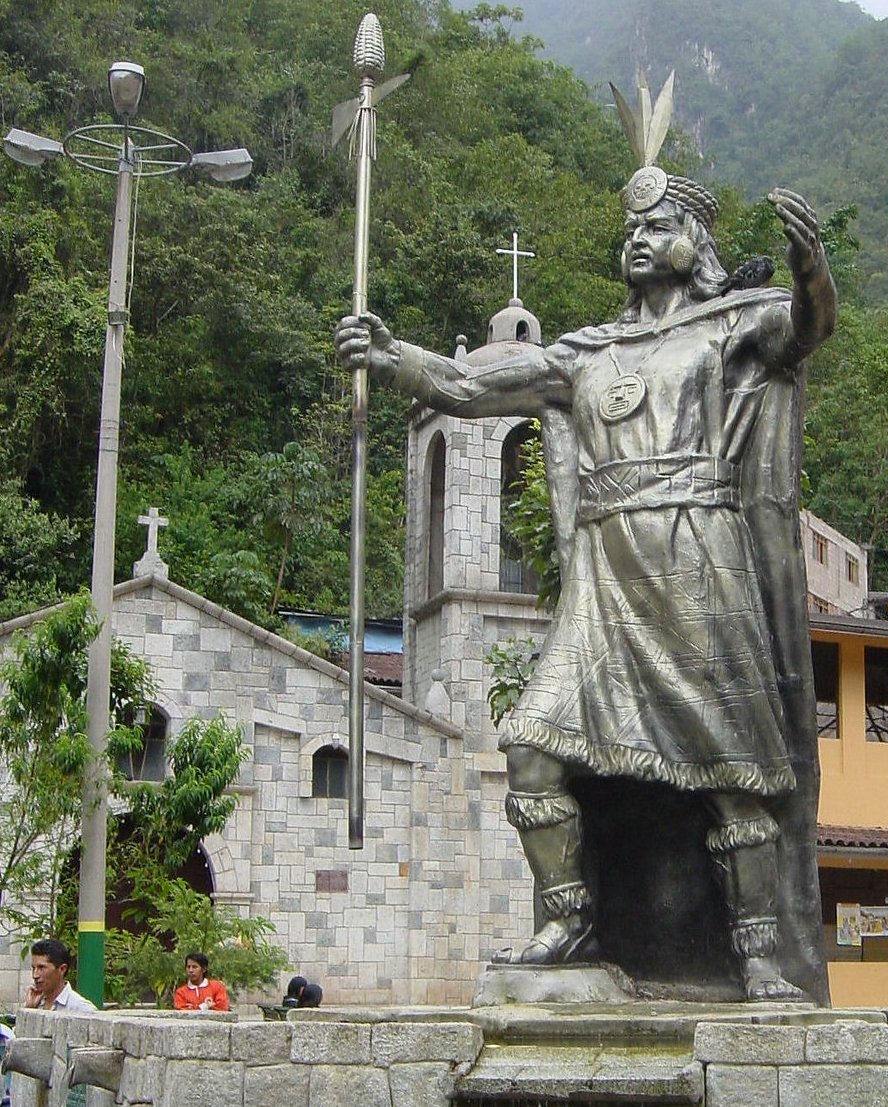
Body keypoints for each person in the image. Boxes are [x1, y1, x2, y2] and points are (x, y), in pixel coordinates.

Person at [335, 79, 836, 1003]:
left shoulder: (732, 324)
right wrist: (391, 352)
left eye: (657, 226)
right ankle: (568, 919)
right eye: (629, 230)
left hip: (697, 559)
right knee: (530, 747)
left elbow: (806, 331)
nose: (637, 239)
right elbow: (470, 387)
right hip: (607, 575)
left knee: (730, 770)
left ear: (697, 242)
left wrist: (811, 269)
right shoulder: (586, 351)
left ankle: (758, 954)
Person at [24, 938, 95, 1012]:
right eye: (33, 968)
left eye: (41, 968)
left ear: (62, 969)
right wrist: (30, 1010)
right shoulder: (34, 1003)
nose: (35, 975)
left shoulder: (81, 1009)